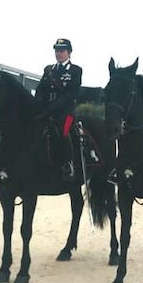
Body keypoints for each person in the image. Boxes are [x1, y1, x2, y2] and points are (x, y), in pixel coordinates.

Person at [34, 38, 82, 181]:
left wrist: (53, 107)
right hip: (46, 110)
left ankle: (68, 163)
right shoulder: (49, 70)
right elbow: (41, 89)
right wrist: (38, 104)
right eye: (57, 51)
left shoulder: (75, 70)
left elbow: (72, 93)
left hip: (65, 112)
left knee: (65, 131)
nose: (59, 54)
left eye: (62, 51)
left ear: (69, 52)